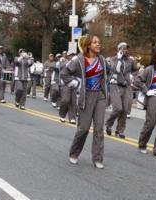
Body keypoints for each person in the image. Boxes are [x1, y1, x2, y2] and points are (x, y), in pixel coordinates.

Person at [61, 35, 109, 169]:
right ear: (87, 45)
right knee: (84, 128)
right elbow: (64, 73)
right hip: (85, 96)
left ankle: (98, 158)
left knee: (99, 128)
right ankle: (74, 153)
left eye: (99, 42)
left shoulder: (103, 60)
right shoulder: (79, 60)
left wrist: (106, 87)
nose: (98, 44)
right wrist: (75, 83)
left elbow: (109, 73)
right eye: (95, 42)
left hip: (100, 96)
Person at [134, 50, 156, 158]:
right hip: (153, 98)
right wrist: (146, 91)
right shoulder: (149, 69)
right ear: (155, 57)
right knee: (150, 123)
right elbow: (138, 80)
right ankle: (142, 144)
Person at [105, 42, 138, 139]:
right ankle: (108, 124)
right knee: (118, 108)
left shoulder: (130, 61)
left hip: (126, 86)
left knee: (125, 110)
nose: (126, 50)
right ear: (119, 49)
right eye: (124, 48)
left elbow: (135, 70)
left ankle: (119, 130)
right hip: (115, 84)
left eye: (127, 48)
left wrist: (133, 76)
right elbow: (115, 70)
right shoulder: (113, 59)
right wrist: (119, 59)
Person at [59, 52, 78, 124]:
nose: (72, 56)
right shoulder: (64, 62)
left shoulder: (76, 63)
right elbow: (61, 70)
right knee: (65, 100)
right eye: (71, 55)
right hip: (65, 84)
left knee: (73, 101)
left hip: (74, 84)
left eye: (73, 55)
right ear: (68, 56)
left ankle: (72, 118)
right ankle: (62, 115)